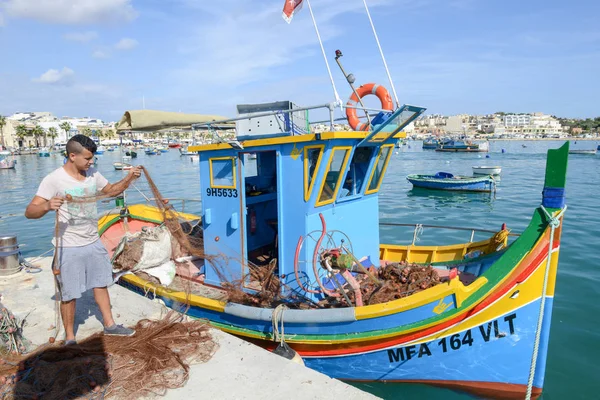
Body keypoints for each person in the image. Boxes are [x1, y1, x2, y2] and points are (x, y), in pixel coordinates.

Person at [25, 134, 142, 344]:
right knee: (69, 294)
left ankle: (110, 325)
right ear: (72, 156)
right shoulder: (54, 179)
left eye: (92, 159)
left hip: (93, 241)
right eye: (87, 158)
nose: (91, 163)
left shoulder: (92, 174)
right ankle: (70, 336)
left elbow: (111, 191)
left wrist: (130, 178)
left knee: (101, 284)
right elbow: (30, 211)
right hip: (68, 246)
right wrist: (46, 206)